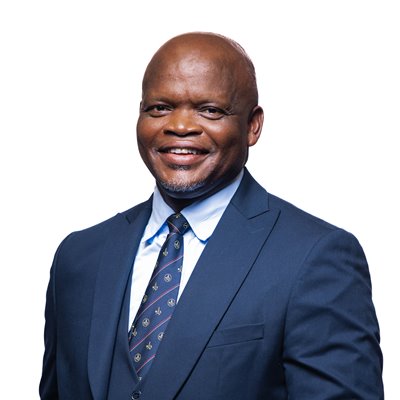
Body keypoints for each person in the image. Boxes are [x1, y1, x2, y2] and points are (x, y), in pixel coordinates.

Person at [40, 32, 384, 399]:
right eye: (159, 108)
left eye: (210, 110)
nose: (180, 126)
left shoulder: (316, 257)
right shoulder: (78, 257)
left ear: (252, 126)